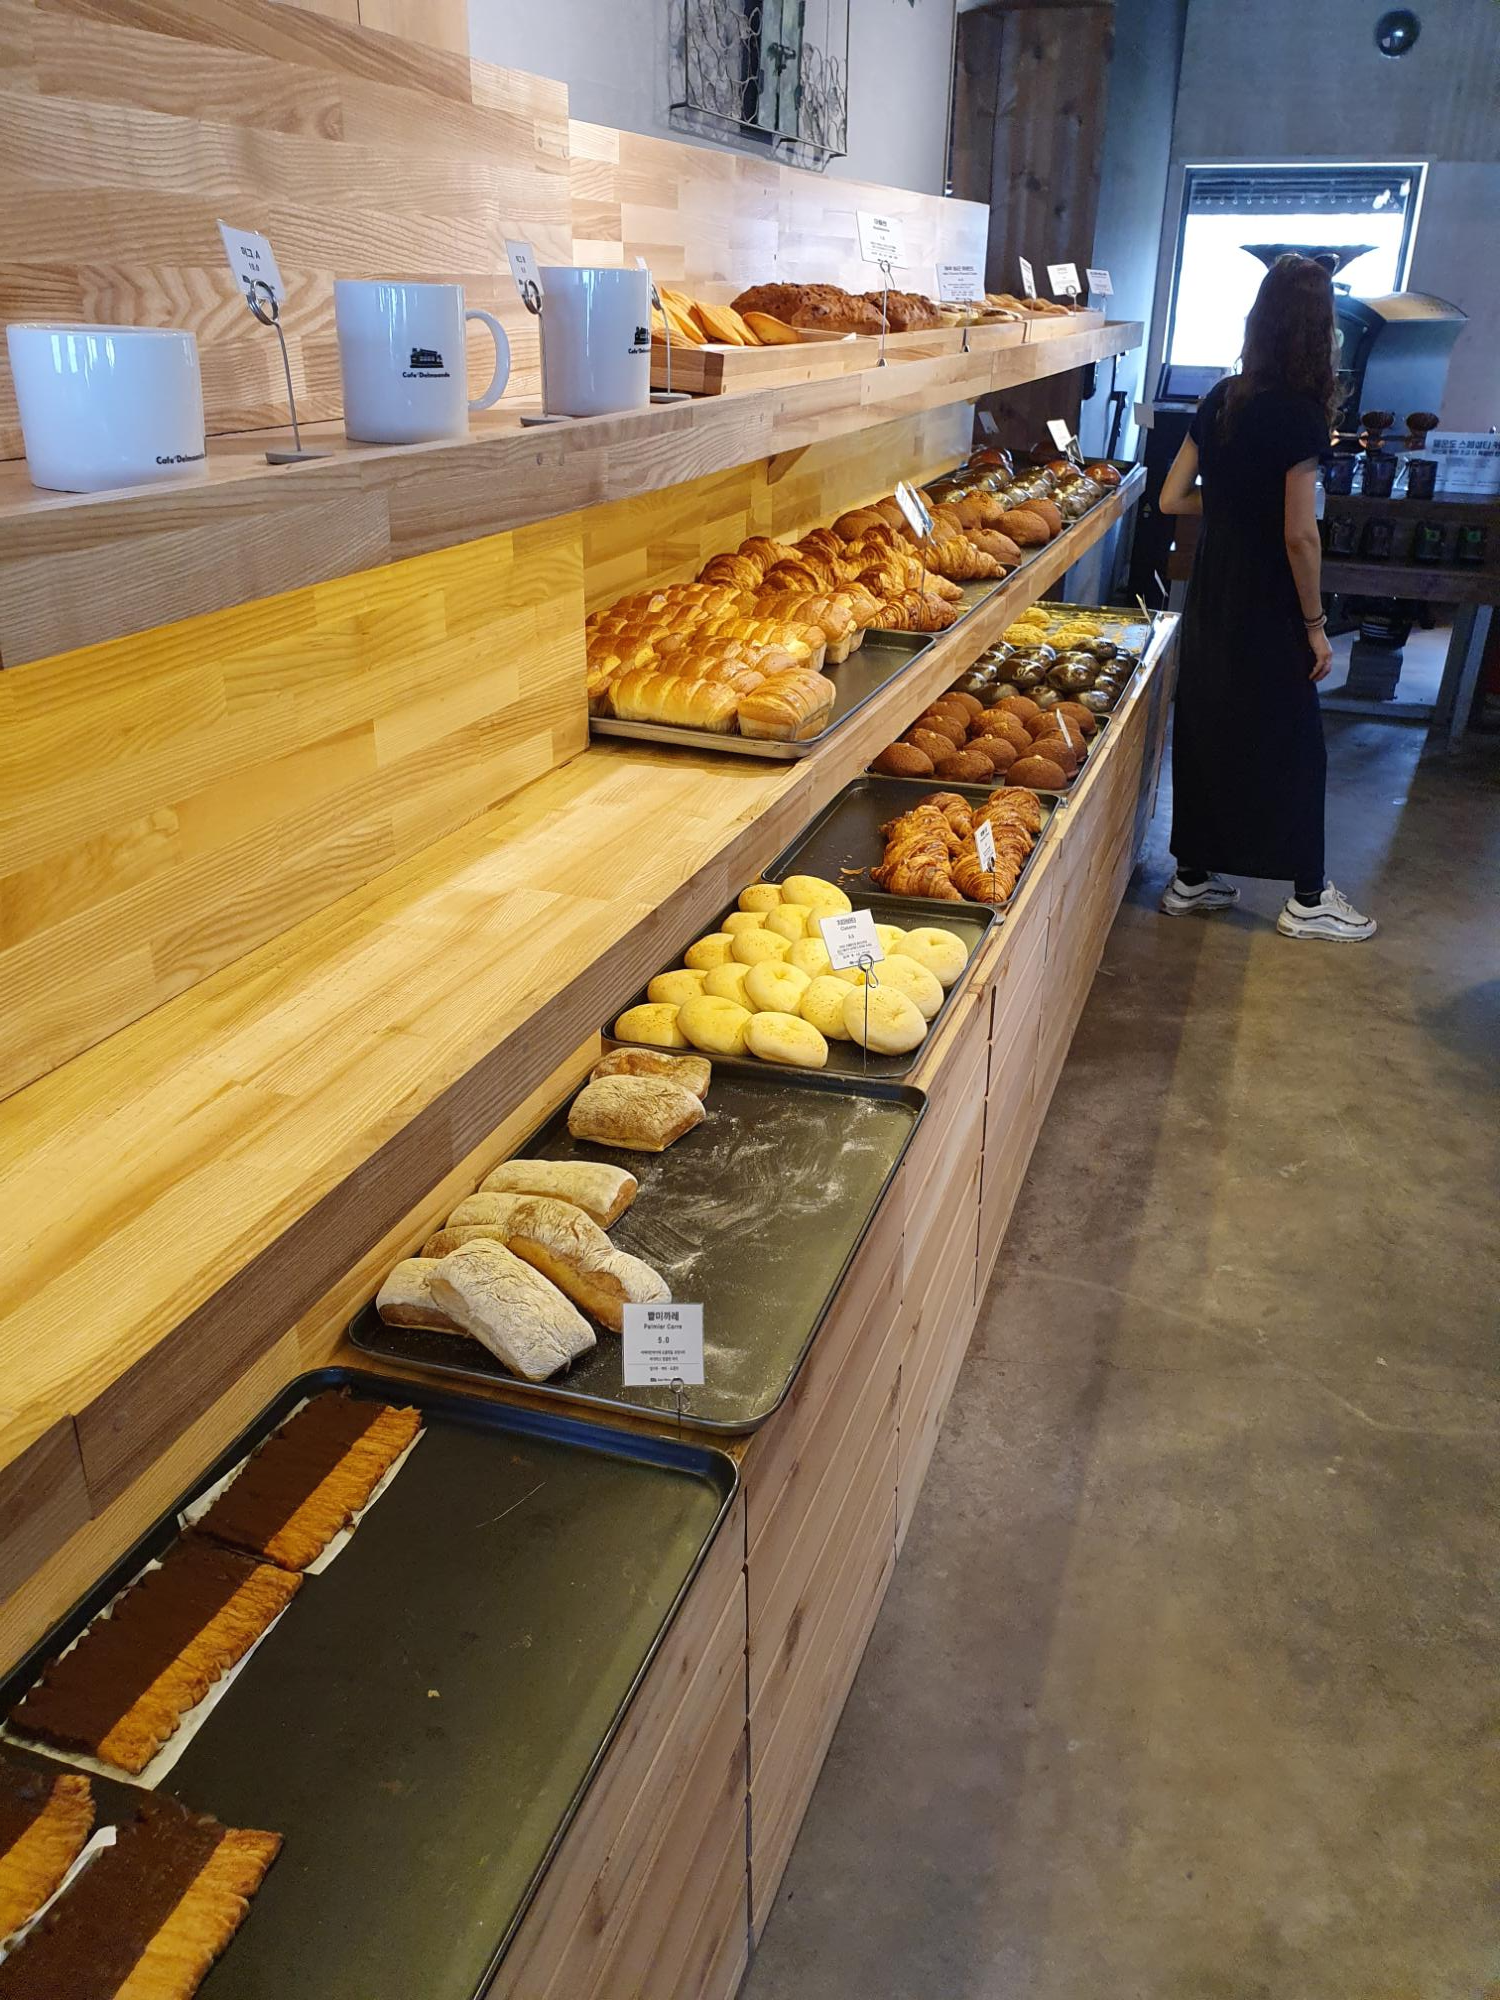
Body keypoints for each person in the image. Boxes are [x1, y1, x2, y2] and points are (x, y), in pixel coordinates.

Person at [1156, 254, 1376, 941]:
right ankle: (1308, 897)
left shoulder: (1222, 397)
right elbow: (1299, 536)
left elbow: (1171, 498)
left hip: (1213, 594)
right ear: (1317, 332)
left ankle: (1192, 878)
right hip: (1269, 604)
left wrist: (1229, 503)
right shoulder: (1301, 416)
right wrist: (1316, 625)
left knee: (1208, 729)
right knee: (1296, 746)